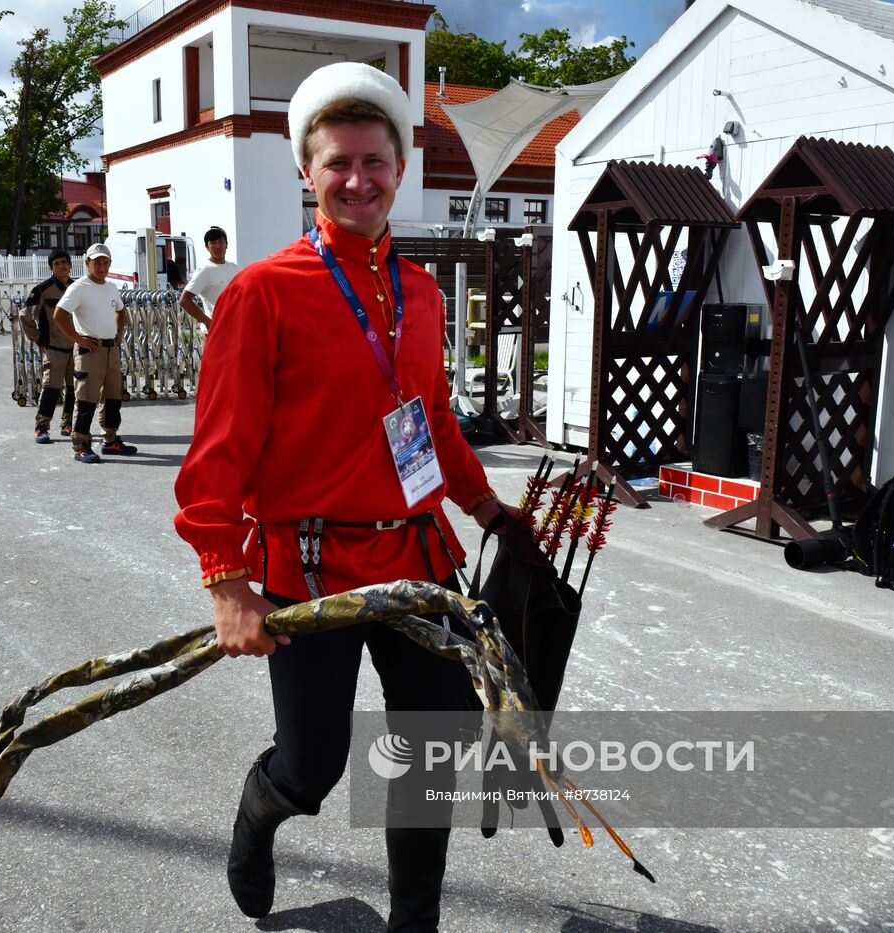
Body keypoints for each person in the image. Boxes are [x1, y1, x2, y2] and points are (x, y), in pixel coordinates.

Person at [172, 62, 511, 932]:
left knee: (433, 754)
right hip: (311, 569)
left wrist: (487, 509)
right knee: (312, 760)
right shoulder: (261, 292)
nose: (358, 179)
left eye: (375, 161)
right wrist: (225, 578)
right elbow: (218, 450)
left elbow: (429, 418)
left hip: (417, 559)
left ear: (401, 168)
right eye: (338, 163)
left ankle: (415, 924)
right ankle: (259, 816)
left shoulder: (423, 292)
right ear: (307, 172)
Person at [53, 243, 140, 463]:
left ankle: (109, 439)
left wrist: (119, 333)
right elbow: (59, 315)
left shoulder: (111, 287)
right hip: (89, 350)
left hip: (111, 349)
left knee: (113, 398)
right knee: (86, 400)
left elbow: (120, 311)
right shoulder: (79, 287)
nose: (101, 267)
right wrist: (78, 339)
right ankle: (81, 444)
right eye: (97, 263)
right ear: (87, 263)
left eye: (105, 263)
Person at [21, 249, 79, 443]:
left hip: (77, 348)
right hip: (54, 348)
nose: (62, 266)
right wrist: (37, 338)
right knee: (50, 388)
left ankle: (68, 423)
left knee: (75, 389)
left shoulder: (78, 288)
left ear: (70, 265)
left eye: (64, 262)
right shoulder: (42, 290)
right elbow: (25, 315)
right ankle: (42, 426)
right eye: (57, 264)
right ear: (51, 268)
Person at [178, 226, 241, 328]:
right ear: (207, 247)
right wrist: (208, 322)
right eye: (213, 243)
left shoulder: (235, 268)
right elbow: (184, 300)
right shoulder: (205, 270)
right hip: (215, 331)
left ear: (227, 245)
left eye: (221, 242)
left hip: (235, 328)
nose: (218, 246)